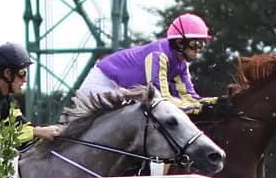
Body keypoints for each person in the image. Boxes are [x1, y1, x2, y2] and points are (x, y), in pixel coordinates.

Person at [77, 13, 228, 116]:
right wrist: (199, 108)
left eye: (202, 45)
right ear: (180, 42)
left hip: (123, 90)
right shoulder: (158, 55)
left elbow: (189, 97)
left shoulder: (181, 64)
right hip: (103, 83)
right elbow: (162, 99)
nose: (198, 51)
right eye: (195, 44)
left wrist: (217, 101)